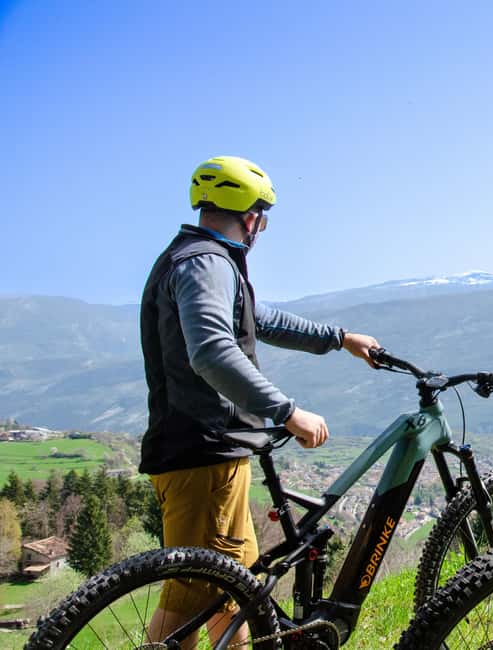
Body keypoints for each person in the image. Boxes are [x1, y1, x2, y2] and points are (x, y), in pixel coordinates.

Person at [139, 155, 379, 647]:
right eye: (262, 217)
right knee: (186, 601)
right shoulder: (206, 263)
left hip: (212, 454)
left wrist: (339, 337)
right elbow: (212, 352)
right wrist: (287, 412)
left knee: (234, 592)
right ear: (249, 215)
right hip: (203, 454)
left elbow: (260, 318)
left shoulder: (200, 259)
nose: (262, 227)